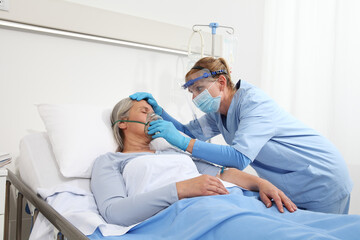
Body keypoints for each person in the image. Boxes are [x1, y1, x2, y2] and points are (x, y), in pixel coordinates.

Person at [90, 98, 360, 240]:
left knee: (340, 227)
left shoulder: (172, 151)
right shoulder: (111, 162)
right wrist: (182, 189)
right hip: (196, 211)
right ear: (121, 123)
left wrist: (258, 184)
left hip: (239, 200)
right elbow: (116, 212)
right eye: (144, 111)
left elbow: (222, 173)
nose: (154, 116)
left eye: (154, 112)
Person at [130, 57, 353, 214]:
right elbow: (189, 132)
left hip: (321, 176)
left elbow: (238, 158)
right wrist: (161, 112)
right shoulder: (218, 112)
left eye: (199, 88)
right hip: (294, 184)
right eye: (191, 92)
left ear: (221, 82)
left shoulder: (253, 103)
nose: (195, 97)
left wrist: (182, 142)